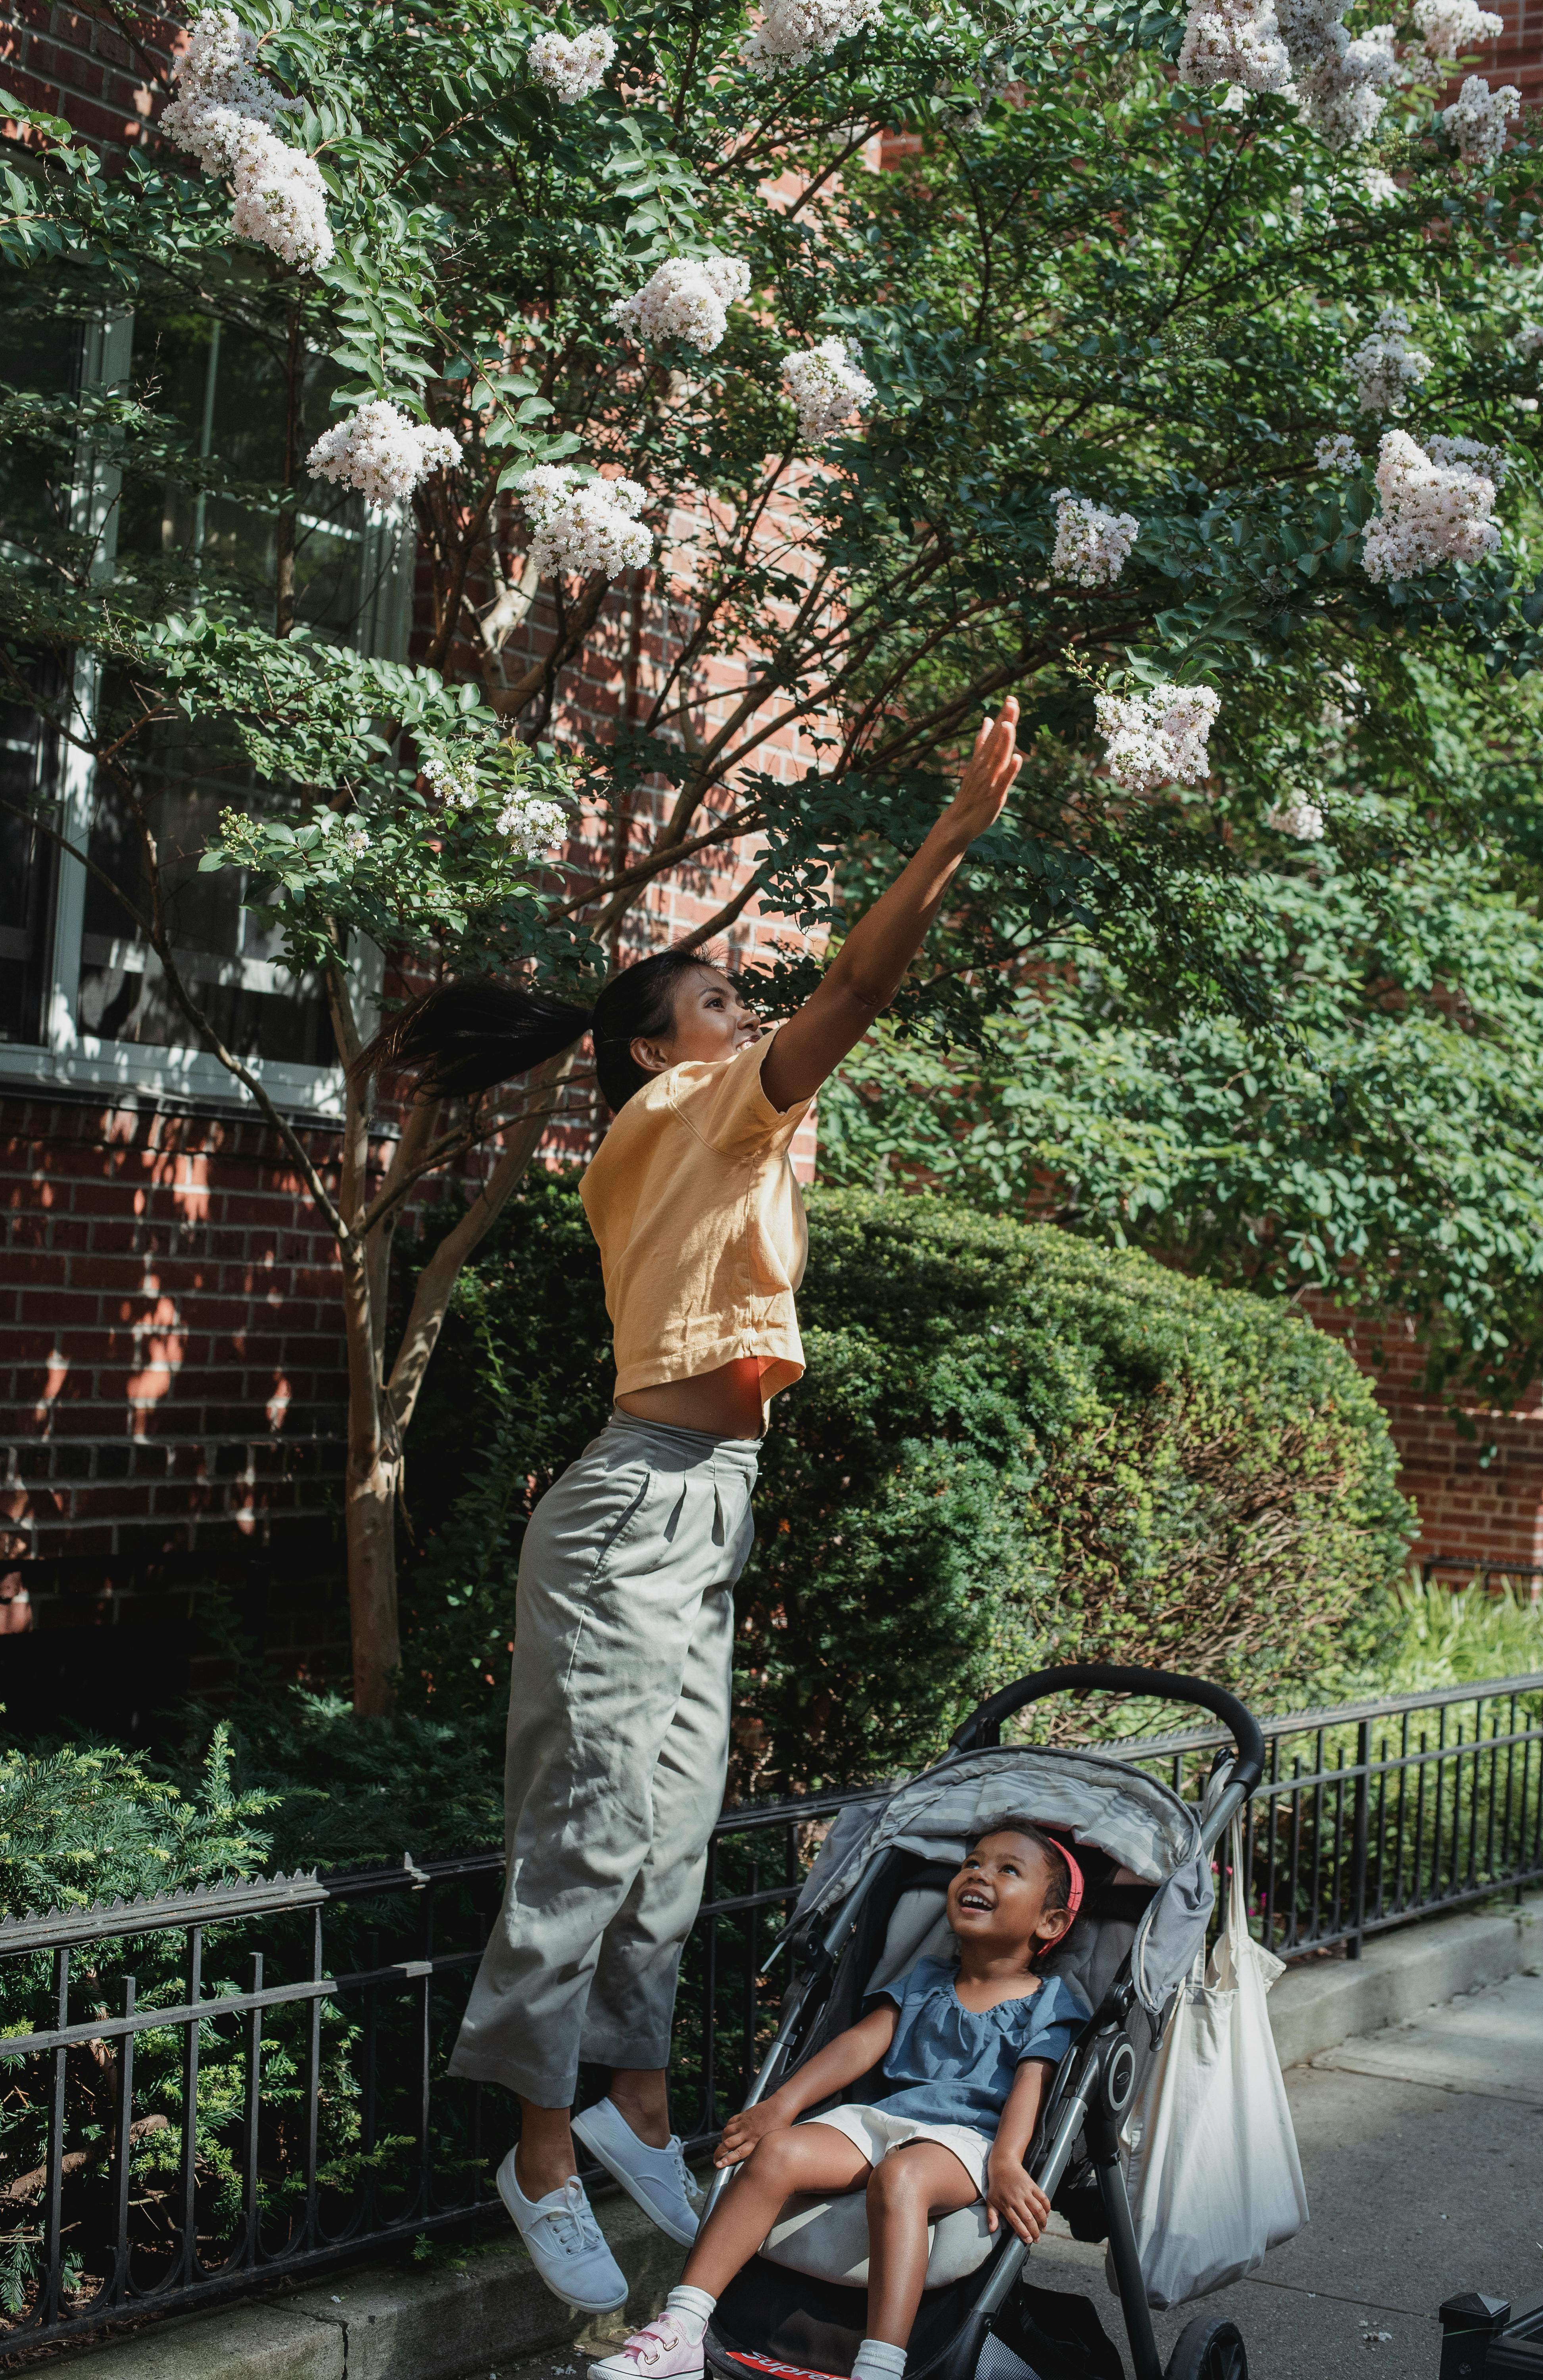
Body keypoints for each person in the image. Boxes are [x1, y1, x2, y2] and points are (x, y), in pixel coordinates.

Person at [386, 698, 1025, 2315]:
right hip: (632, 1512)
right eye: (719, 1000)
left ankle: (637, 2106)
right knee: (584, 1840)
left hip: (706, 1507)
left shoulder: (713, 1136)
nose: (746, 1016)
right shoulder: (677, 1114)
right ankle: (536, 2149)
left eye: (743, 998)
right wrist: (944, 840)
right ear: (655, 1049)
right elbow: (859, 991)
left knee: (666, 1851)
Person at [589, 1820, 1088, 2380]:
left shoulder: (1048, 2001)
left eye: (1007, 1870)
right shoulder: (924, 1979)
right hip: (888, 2117)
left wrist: (1006, 2161)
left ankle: (879, 2366)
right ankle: (684, 2326)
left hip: (967, 2140)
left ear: (1049, 1922)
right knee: (776, 2153)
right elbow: (859, 2046)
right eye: (972, 1863)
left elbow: (1032, 2083)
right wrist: (779, 2105)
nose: (979, 1874)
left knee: (901, 2178)